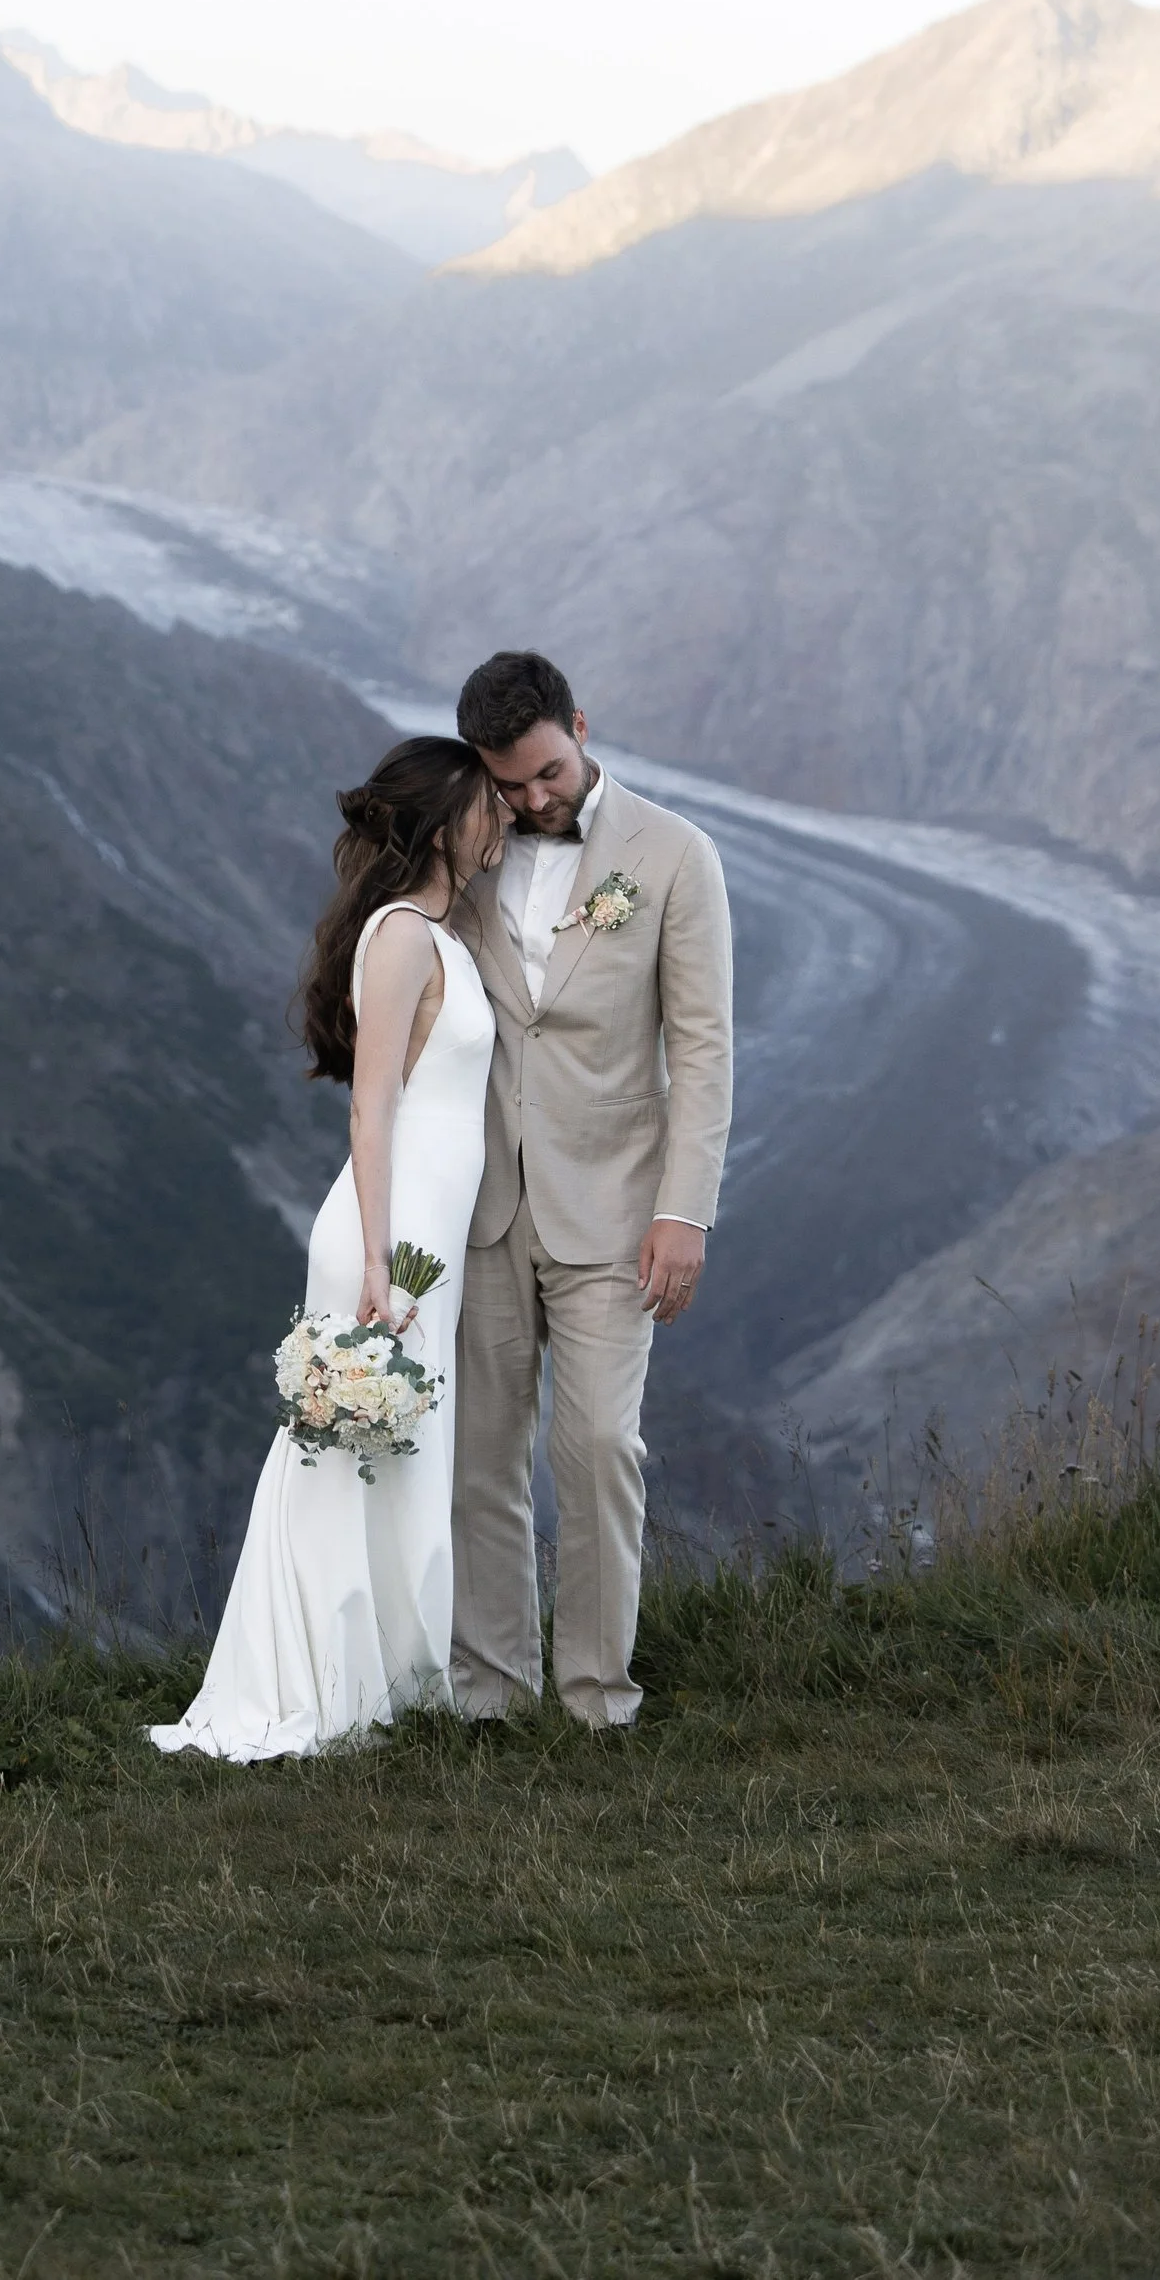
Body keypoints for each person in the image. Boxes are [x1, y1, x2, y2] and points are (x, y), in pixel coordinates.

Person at [149, 736, 503, 1763]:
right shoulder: (399, 934)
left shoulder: (442, 929)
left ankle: (389, 1681)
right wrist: (378, 1264)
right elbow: (374, 1104)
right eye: (483, 808)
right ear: (442, 824)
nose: (497, 826)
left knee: (398, 1454)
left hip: (423, 1231)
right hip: (384, 1234)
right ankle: (321, 1688)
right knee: (345, 1456)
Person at [448, 650, 734, 1729]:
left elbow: (703, 1049)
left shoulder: (673, 855)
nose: (531, 800)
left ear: (579, 724)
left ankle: (595, 1703)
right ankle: (487, 1694)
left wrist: (684, 1209)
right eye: (510, 783)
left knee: (602, 1448)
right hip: (478, 1205)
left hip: (618, 1209)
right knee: (481, 1459)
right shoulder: (463, 848)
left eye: (548, 774)